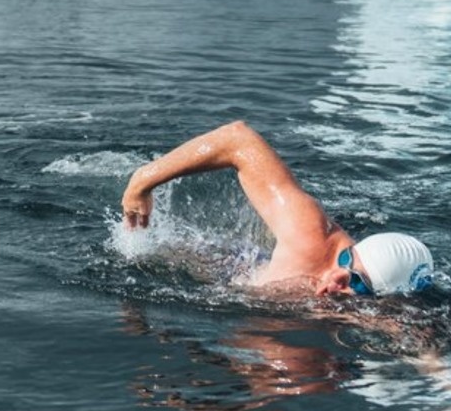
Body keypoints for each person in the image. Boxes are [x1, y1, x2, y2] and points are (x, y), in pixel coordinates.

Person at [121, 120, 434, 297]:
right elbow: (237, 139)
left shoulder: (381, 307)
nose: (335, 282)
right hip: (233, 270)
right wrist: (142, 182)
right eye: (346, 263)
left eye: (357, 285)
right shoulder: (308, 233)